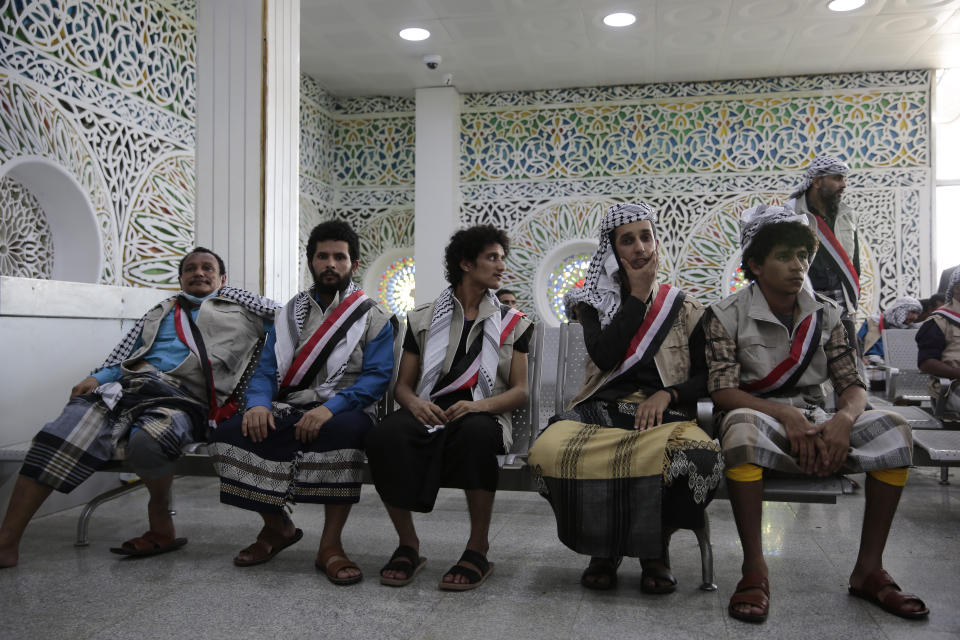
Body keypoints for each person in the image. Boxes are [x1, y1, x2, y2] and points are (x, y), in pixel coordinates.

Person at [703, 205, 926, 623]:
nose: (798, 266)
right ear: (755, 263)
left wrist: (842, 421)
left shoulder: (827, 313)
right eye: (784, 256)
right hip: (761, 417)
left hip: (821, 418)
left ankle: (869, 570)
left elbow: (853, 385)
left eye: (803, 256)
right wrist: (785, 418)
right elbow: (723, 391)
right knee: (740, 431)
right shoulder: (725, 315)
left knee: (895, 430)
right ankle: (754, 571)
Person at [0, 248, 276, 568]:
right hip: (125, 389)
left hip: (184, 399)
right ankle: (7, 541)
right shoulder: (161, 310)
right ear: (181, 278)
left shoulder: (245, 311)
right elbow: (125, 356)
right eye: (190, 268)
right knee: (57, 436)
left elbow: (292, 324)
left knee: (147, 441)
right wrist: (96, 376)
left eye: (207, 268)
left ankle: (159, 517)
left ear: (223, 279)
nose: (198, 273)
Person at [527, 202, 722, 592]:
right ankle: (605, 549)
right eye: (627, 240)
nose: (639, 247)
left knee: (699, 458)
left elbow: (708, 377)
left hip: (665, 414)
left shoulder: (684, 308)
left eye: (645, 237)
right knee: (548, 451)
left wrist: (669, 394)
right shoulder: (592, 305)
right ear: (613, 250)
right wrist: (637, 296)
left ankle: (655, 551)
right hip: (602, 408)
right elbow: (605, 356)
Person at [208, 221, 396, 584]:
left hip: (347, 407)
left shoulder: (373, 315)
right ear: (310, 262)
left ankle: (330, 546)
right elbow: (265, 370)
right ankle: (276, 526)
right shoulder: (289, 312)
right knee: (230, 434)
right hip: (290, 404)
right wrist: (258, 405)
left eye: (339, 257)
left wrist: (330, 409)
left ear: (353, 265)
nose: (330, 264)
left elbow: (376, 377)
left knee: (341, 435)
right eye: (322, 256)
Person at [365, 225, 533, 591]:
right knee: (384, 437)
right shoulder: (423, 318)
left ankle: (477, 548)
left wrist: (479, 407)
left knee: (476, 435)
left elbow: (520, 391)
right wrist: (415, 405)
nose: (501, 266)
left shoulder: (514, 323)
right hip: (430, 411)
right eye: (492, 258)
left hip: (482, 412)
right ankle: (408, 544)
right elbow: (403, 387)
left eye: (502, 258)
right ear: (466, 263)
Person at [785, 155, 861, 351]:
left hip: (842, 302)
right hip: (805, 299)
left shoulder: (847, 214)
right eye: (837, 178)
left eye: (844, 179)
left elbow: (854, 261)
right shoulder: (791, 214)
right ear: (817, 181)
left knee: (848, 362)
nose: (843, 184)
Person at [917, 269, 960, 413]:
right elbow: (926, 363)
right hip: (952, 387)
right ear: (956, 288)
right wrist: (957, 372)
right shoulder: (939, 320)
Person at [856, 296, 922, 361]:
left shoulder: (910, 331)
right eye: (913, 312)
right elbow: (857, 343)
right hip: (868, 365)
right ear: (900, 309)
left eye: (917, 314)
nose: (915, 317)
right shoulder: (873, 322)